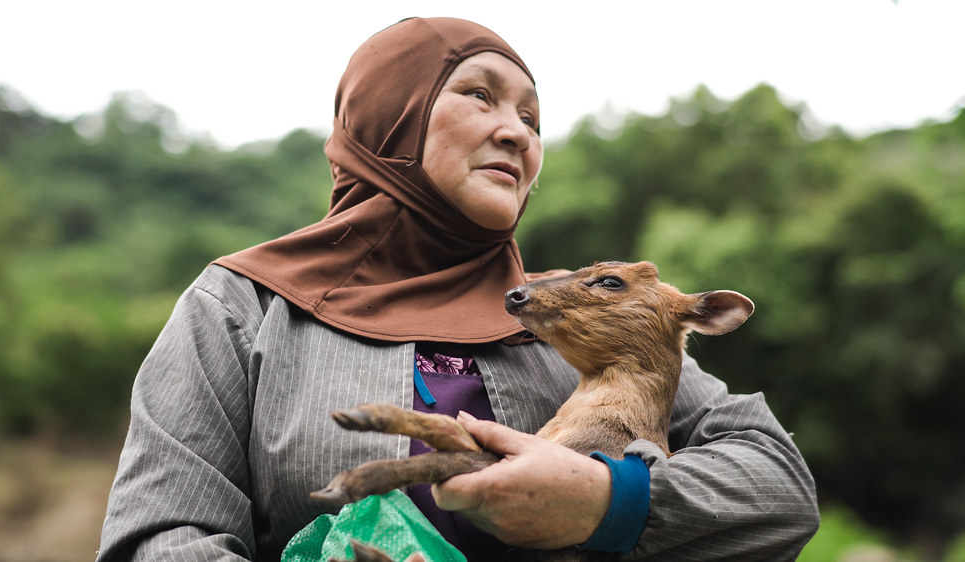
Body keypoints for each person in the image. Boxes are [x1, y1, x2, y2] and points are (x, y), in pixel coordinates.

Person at [97, 16, 819, 562]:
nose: (516, 133)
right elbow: (160, 535)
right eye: (480, 97)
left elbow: (777, 492)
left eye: (531, 118)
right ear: (390, 118)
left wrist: (607, 501)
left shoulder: (580, 321)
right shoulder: (241, 307)